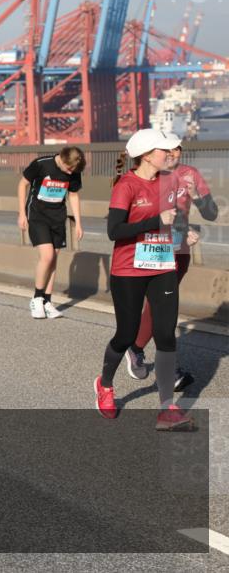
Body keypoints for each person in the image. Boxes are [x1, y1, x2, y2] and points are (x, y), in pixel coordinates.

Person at [94, 129, 195, 431]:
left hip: (162, 265)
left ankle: (166, 408)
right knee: (126, 335)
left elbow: (172, 220)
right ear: (148, 155)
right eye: (165, 151)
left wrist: (184, 236)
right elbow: (115, 230)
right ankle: (105, 384)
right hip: (128, 271)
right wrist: (154, 221)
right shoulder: (127, 185)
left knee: (165, 335)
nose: (171, 154)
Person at [125, 144, 219, 387]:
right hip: (155, 247)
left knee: (160, 305)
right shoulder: (150, 175)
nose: (174, 154)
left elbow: (211, 214)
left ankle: (135, 348)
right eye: (168, 149)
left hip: (180, 249)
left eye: (177, 149)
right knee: (164, 305)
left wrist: (196, 196)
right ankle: (170, 370)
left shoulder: (191, 173)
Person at [17, 146, 85, 319]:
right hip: (37, 216)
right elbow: (23, 184)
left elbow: (73, 195)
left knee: (53, 260)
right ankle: (37, 298)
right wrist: (22, 213)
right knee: (46, 256)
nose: (70, 173)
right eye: (68, 169)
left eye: (73, 171)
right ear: (61, 159)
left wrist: (78, 222)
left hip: (58, 218)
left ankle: (47, 301)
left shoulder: (74, 170)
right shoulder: (41, 164)